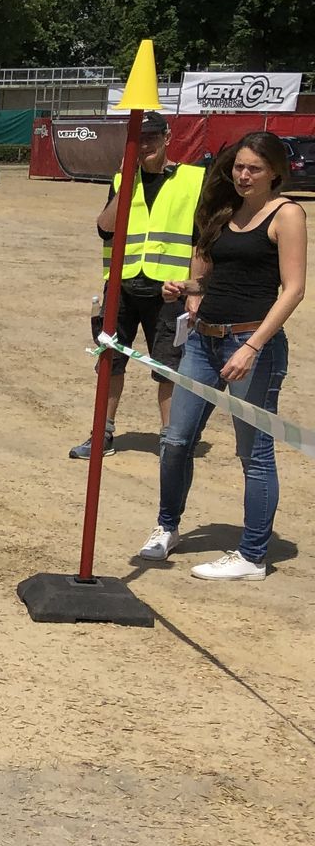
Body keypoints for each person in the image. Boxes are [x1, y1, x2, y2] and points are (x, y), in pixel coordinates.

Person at [141, 131, 305, 579]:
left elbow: (293, 290)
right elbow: (217, 278)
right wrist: (186, 287)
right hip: (203, 340)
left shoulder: (287, 214)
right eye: (238, 167)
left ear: (275, 172)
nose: (243, 175)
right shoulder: (226, 211)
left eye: (254, 168)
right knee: (176, 440)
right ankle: (167, 526)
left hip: (251, 345)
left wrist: (253, 346)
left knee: (254, 452)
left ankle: (252, 555)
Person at [70, 113, 202, 458]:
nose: (144, 146)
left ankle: (171, 441)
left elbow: (201, 242)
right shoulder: (122, 180)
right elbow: (105, 228)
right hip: (122, 286)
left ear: (167, 137)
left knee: (168, 366)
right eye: (138, 139)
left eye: (151, 138)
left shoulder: (193, 180)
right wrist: (126, 182)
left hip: (169, 291)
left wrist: (195, 291)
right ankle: (102, 434)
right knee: (110, 361)